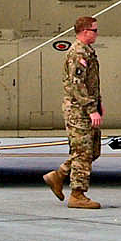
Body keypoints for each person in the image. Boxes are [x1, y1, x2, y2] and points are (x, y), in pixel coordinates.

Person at [43, 16, 103, 209]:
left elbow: (90, 83)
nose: (96, 33)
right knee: (83, 152)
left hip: (85, 108)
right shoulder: (78, 53)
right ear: (85, 31)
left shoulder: (87, 52)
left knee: (92, 151)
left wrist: (98, 104)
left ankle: (59, 175)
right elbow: (78, 86)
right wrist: (92, 109)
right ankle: (77, 195)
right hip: (78, 111)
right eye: (94, 30)